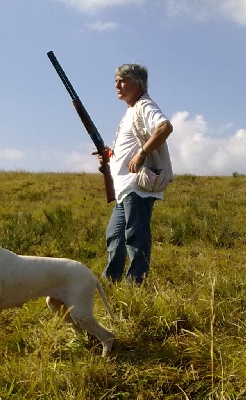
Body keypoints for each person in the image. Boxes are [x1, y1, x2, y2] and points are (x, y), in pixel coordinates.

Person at [99, 63, 173, 284]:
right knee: (115, 235)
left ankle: (136, 284)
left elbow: (165, 127)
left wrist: (142, 153)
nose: (117, 85)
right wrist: (109, 157)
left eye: (122, 80)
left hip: (137, 186)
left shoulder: (145, 106)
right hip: (125, 188)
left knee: (135, 236)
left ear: (138, 83)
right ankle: (111, 283)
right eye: (116, 81)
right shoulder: (131, 111)